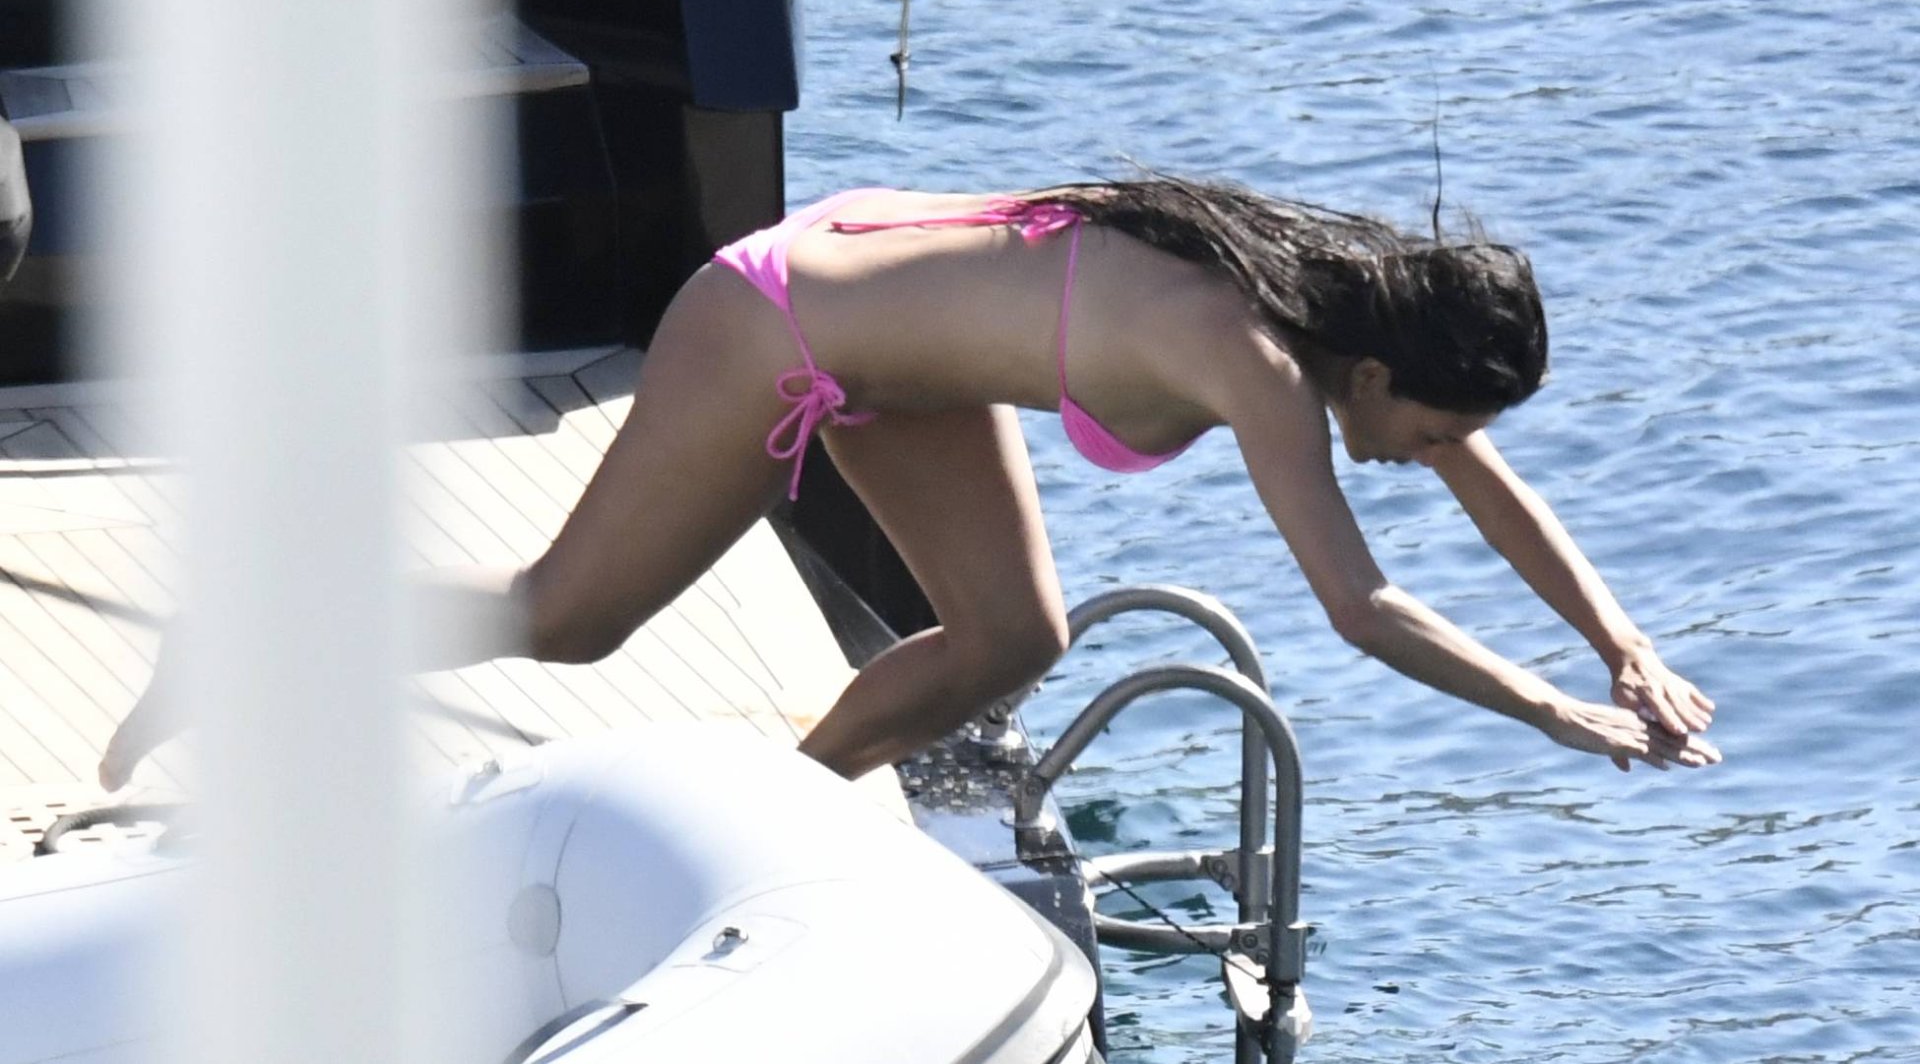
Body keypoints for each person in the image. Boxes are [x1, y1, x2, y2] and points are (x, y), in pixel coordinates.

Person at [100, 178, 1718, 791]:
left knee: (1014, 636)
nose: (1432, 458)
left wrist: (1624, 646)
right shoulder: (1261, 357)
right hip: (781, 320)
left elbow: (1489, 480)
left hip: (906, 346)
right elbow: (1358, 609)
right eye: (1428, 432)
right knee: (569, 616)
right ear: (1378, 378)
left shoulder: (1353, 313)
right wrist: (1555, 713)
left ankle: (795, 808)